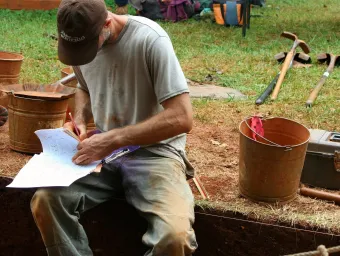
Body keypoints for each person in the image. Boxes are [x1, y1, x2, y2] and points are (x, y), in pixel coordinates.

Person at [30, 0, 198, 255]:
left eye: (88, 47)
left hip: (155, 153)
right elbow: (84, 87)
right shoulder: (82, 41)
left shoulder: (150, 40)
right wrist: (80, 121)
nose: (85, 55)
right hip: (102, 155)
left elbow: (182, 118)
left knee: (174, 236)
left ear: (106, 23)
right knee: (45, 200)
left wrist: (112, 140)